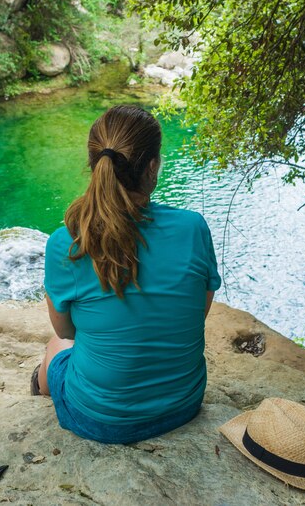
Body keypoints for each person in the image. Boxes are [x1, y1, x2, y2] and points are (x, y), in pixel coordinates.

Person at [32, 104, 221, 444]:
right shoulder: (194, 227)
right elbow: (198, 311)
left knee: (56, 345)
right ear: (152, 166)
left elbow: (66, 330)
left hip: (99, 419)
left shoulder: (68, 242)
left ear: (94, 165)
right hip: (183, 404)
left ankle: (40, 388)